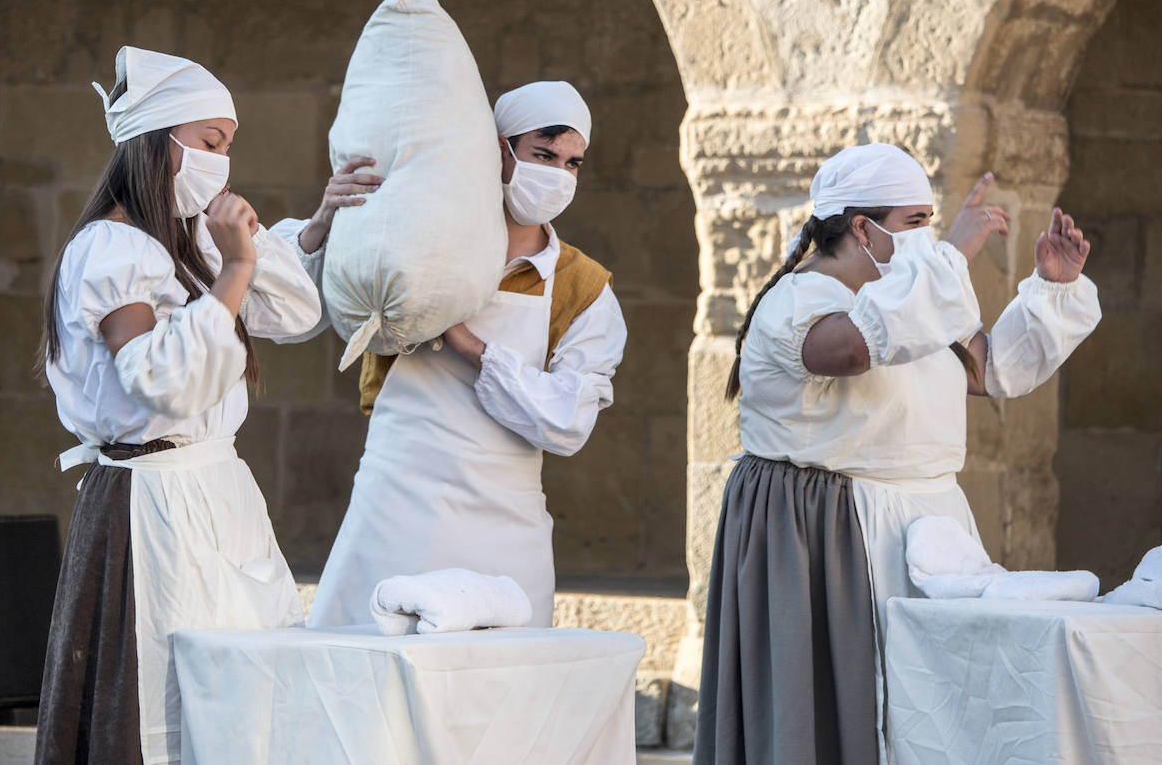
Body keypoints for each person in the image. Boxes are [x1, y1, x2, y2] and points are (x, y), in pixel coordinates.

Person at [694, 143, 1102, 765]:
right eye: (916, 223)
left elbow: (990, 369)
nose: (929, 237)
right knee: (842, 722)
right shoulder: (796, 303)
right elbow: (854, 349)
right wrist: (952, 253)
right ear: (863, 227)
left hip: (930, 529)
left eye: (931, 223)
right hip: (830, 534)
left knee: (935, 716)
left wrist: (1053, 286)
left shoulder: (911, 300)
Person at [34, 47, 324, 765]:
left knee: (242, 694)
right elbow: (159, 378)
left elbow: (297, 312)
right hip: (150, 507)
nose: (222, 161)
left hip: (216, 492)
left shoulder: (184, 239)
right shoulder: (111, 249)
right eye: (210, 143)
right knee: (156, 701)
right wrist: (236, 269)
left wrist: (260, 244)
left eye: (229, 146)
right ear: (157, 143)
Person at [272, 80, 627, 628]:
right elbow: (285, 318)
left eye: (572, 162)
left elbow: (567, 423)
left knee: (499, 695)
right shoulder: (413, 243)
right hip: (396, 503)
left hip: (506, 525)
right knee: (367, 678)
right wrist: (324, 223)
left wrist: (463, 339)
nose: (558, 175)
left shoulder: (584, 288)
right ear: (499, 151)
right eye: (542, 155)